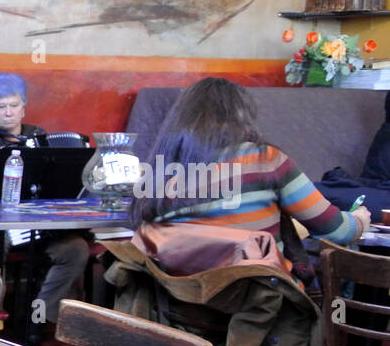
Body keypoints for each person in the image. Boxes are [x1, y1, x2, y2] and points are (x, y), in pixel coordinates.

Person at [133, 78, 371, 263]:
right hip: (261, 311)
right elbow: (338, 231)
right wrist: (359, 221)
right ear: (242, 117)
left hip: (180, 310)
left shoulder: (160, 170)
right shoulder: (265, 160)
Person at [0, 73, 91, 342]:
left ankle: (39, 317)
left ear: (23, 107)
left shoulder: (38, 136)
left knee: (76, 249)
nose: (8, 112)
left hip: (32, 223)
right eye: (1, 107)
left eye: (13, 105)